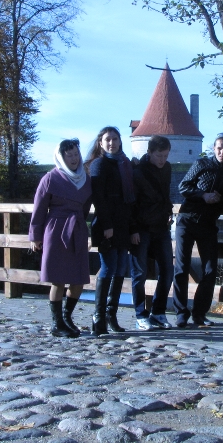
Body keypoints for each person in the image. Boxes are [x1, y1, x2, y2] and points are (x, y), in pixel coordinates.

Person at [172, 133, 223, 328]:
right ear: (214, 148)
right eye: (219, 148)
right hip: (187, 220)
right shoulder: (202, 164)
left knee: (210, 269)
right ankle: (181, 313)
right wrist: (203, 195)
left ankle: (199, 313)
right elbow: (183, 187)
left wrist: (220, 199)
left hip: (208, 224)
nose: (222, 151)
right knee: (182, 267)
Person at [29, 139, 92, 338]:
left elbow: (85, 208)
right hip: (56, 230)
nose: (74, 158)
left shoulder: (85, 179)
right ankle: (57, 323)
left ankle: (67, 317)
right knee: (58, 279)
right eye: (69, 155)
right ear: (61, 157)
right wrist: (35, 236)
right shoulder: (50, 178)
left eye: (76, 154)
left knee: (79, 279)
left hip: (78, 229)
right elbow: (39, 209)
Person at [86, 126, 135, 336]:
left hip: (123, 223)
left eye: (115, 139)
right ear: (101, 142)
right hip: (107, 223)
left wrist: (132, 227)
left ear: (120, 141)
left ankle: (111, 314)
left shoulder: (124, 163)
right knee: (108, 268)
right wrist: (107, 226)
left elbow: (130, 199)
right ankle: (98, 316)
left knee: (121, 268)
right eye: (108, 139)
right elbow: (99, 197)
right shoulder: (99, 164)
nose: (112, 143)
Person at [129, 135, 174, 330]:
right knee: (139, 273)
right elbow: (131, 203)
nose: (162, 160)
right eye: (159, 155)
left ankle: (158, 312)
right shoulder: (138, 172)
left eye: (165, 156)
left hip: (161, 227)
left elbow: (165, 195)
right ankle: (140, 314)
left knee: (168, 270)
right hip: (142, 227)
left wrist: (168, 211)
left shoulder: (167, 168)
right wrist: (133, 229)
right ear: (149, 153)